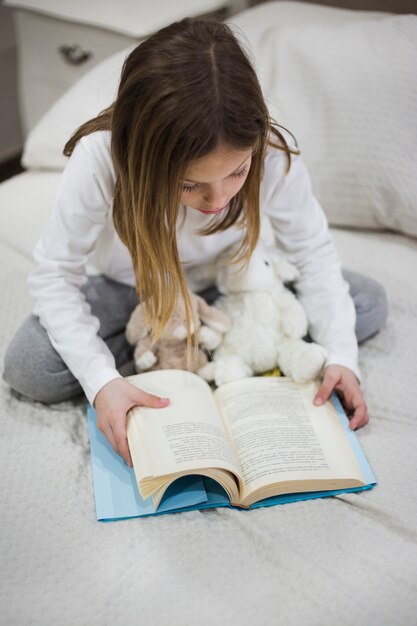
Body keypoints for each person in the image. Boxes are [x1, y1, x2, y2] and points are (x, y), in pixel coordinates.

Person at [3, 18, 387, 468]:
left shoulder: (270, 152)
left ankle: (187, 348)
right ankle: (176, 345)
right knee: (30, 366)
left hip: (227, 287)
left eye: (237, 174)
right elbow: (54, 275)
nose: (218, 199)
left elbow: (314, 252)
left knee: (367, 303)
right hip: (132, 291)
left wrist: (343, 358)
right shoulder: (101, 159)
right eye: (189, 186)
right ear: (142, 155)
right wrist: (102, 380)